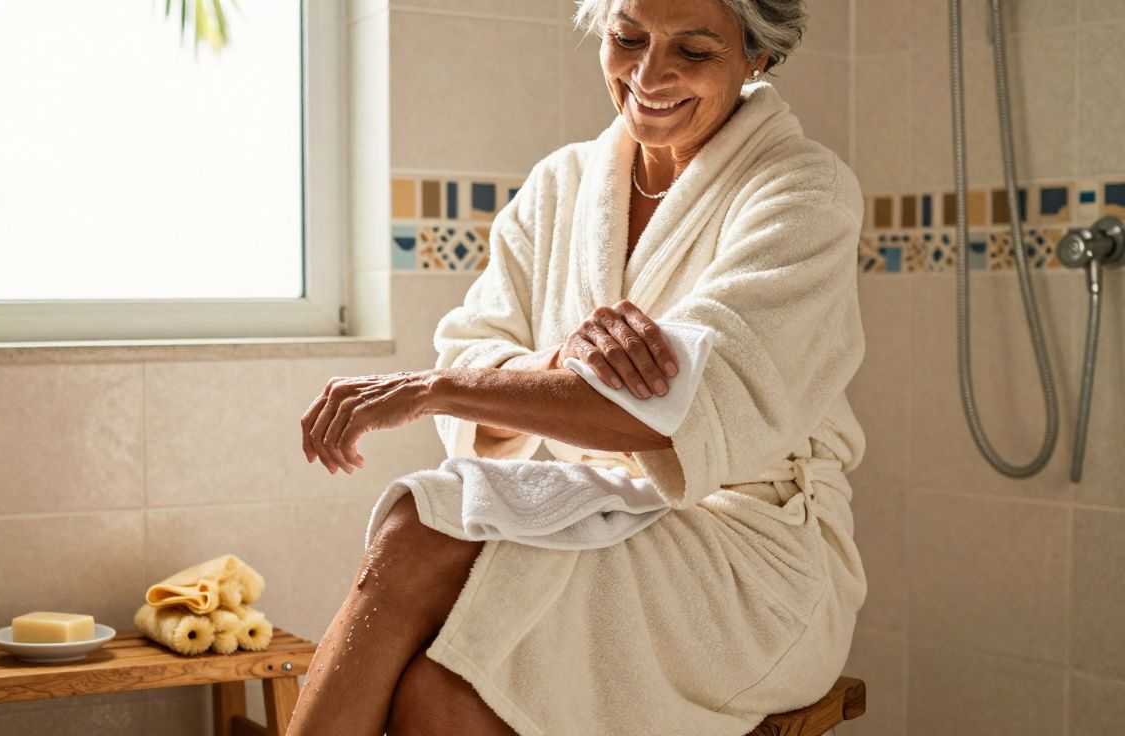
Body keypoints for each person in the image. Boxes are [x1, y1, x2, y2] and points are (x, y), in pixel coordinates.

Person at [293, 0, 868, 733]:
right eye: (628, 38)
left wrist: (435, 390)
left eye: (693, 52)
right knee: (437, 695)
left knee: (420, 523)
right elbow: (477, 347)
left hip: (748, 555)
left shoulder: (801, 191)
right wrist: (556, 364)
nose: (648, 74)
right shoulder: (563, 183)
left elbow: (672, 412)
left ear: (756, 56)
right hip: (598, 511)